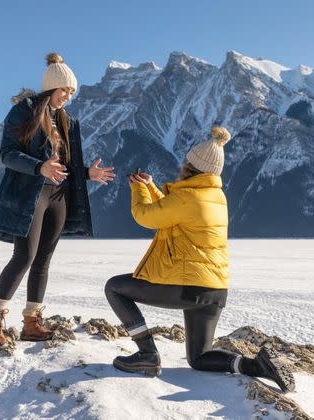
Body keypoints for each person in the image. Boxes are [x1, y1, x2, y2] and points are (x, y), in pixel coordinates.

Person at [104, 127, 295, 392]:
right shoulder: (215, 196)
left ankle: (147, 354)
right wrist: (150, 186)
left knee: (114, 287)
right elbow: (173, 213)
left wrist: (138, 189)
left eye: (187, 162)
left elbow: (147, 216)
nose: (183, 165)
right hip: (214, 290)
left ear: (192, 167)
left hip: (188, 287)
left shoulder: (188, 197)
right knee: (199, 358)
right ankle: (257, 366)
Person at [0, 52, 115, 348]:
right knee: (24, 256)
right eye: (65, 90)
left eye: (71, 92)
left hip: (59, 195)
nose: (68, 97)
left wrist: (86, 173)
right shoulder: (24, 112)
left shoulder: (66, 120)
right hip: (30, 194)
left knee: (43, 260)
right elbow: (7, 154)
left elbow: (64, 163)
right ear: (51, 87)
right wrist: (38, 166)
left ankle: (32, 322)